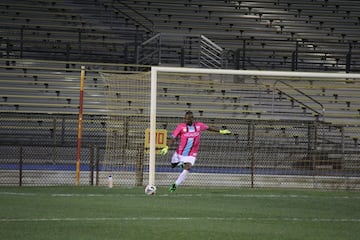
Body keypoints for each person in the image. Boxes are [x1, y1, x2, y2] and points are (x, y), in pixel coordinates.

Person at [160, 111, 231, 192]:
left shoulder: (198, 125)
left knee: (188, 167)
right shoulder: (180, 127)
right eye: (185, 119)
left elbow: (209, 128)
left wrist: (221, 131)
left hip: (192, 153)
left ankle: (175, 185)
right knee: (173, 165)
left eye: (188, 119)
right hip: (180, 153)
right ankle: (181, 164)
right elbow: (173, 138)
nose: (186, 121)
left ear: (192, 119)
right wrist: (166, 147)